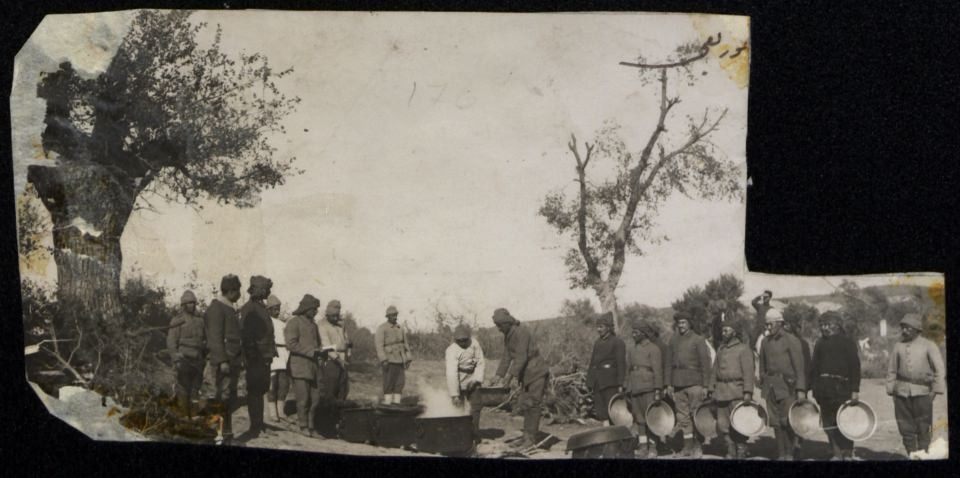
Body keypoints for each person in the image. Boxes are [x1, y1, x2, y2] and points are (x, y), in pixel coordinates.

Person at [487, 308, 549, 449]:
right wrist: (498, 375)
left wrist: (509, 376)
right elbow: (507, 356)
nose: (498, 329)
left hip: (536, 371)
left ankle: (530, 440)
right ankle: (527, 437)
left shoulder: (521, 332)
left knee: (533, 405)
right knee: (527, 405)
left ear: (507, 323)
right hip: (527, 373)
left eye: (499, 326)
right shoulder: (509, 334)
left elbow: (521, 357)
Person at [886, 313, 946, 458]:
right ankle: (911, 456)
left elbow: (940, 369)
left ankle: (923, 456)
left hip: (923, 393)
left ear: (917, 329)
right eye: (903, 328)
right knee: (905, 428)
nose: (904, 331)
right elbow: (892, 369)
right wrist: (891, 389)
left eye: (908, 328)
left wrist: (934, 391)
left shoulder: (928, 345)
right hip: (901, 393)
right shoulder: (898, 346)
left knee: (923, 428)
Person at [809, 311, 861, 461]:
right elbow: (814, 368)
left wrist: (855, 390)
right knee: (828, 423)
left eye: (828, 325)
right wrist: (814, 388)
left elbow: (855, 368)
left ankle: (847, 452)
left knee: (845, 420)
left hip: (842, 389)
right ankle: (835, 452)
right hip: (824, 390)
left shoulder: (848, 343)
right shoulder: (819, 344)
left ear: (837, 326)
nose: (824, 328)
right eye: (822, 325)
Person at [758, 307, 806, 460]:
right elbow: (762, 365)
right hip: (770, 387)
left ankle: (790, 453)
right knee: (776, 422)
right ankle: (781, 453)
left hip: (787, 387)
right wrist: (762, 379)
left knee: (788, 420)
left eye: (770, 324)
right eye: (766, 325)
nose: (768, 327)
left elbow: (799, 366)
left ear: (779, 323)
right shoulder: (765, 342)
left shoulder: (791, 340)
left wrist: (800, 389)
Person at [665, 311, 712, 458]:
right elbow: (668, 364)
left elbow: (706, 364)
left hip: (695, 383)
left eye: (684, 322)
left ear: (689, 324)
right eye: (679, 323)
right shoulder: (673, 340)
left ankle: (698, 447)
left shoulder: (698, 340)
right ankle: (687, 447)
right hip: (678, 384)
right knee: (682, 417)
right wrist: (668, 384)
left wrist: (706, 386)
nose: (681, 325)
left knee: (695, 414)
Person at [205, 274, 244, 445]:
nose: (239, 294)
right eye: (238, 290)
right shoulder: (217, 308)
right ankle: (217, 436)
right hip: (223, 363)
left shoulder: (228, 307)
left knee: (226, 398)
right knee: (219, 398)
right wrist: (222, 361)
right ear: (230, 290)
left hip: (230, 361)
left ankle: (224, 435)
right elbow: (215, 337)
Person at [239, 275, 278, 438]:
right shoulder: (249, 308)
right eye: (265, 289)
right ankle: (255, 426)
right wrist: (252, 356)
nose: (267, 292)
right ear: (257, 290)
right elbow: (247, 335)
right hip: (256, 356)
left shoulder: (261, 307)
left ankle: (259, 423)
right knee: (254, 390)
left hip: (264, 356)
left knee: (261, 389)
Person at [711, 316, 754, 459]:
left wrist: (748, 392)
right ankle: (730, 447)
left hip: (737, 390)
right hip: (721, 391)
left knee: (739, 421)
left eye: (726, 330)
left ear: (734, 332)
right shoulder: (720, 349)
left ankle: (741, 447)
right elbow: (714, 369)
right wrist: (711, 387)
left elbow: (749, 372)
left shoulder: (744, 349)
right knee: (723, 423)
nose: (723, 333)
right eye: (722, 331)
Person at [284, 294, 323, 436]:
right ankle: (303, 426)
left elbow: (318, 344)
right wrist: (312, 351)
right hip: (299, 367)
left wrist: (321, 352)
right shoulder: (294, 323)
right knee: (303, 398)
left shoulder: (314, 325)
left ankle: (312, 427)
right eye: (313, 309)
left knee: (315, 398)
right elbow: (291, 344)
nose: (315, 312)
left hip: (313, 367)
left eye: (316, 309)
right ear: (305, 308)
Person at [625, 318, 663, 458]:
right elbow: (628, 370)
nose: (633, 335)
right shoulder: (631, 349)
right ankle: (643, 447)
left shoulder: (654, 349)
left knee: (650, 418)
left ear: (644, 333)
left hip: (649, 388)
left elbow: (658, 371)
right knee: (640, 419)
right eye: (633, 332)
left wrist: (658, 390)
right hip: (635, 387)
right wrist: (626, 387)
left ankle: (653, 448)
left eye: (636, 332)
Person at [166, 290, 206, 417]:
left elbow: (204, 340)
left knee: (195, 390)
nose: (192, 305)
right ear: (183, 305)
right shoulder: (177, 320)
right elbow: (171, 342)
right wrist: (176, 359)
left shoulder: (200, 321)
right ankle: (183, 418)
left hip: (198, 360)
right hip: (184, 360)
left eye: (193, 303)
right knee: (183, 390)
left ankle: (194, 417)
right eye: (189, 303)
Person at [445, 323, 486, 444]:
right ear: (455, 340)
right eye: (460, 341)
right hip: (458, 377)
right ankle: (460, 434)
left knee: (476, 406)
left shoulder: (475, 344)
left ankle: (475, 433)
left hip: (473, 376)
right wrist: (455, 394)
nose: (462, 342)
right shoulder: (451, 350)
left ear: (469, 338)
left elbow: (480, 362)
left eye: (465, 340)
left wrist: (476, 379)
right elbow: (451, 373)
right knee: (458, 407)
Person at [586, 312, 626, 426]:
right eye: (597, 327)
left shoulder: (617, 342)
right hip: (598, 383)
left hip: (611, 384)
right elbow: (592, 363)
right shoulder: (597, 343)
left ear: (608, 327)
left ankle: (616, 438)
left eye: (601, 327)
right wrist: (590, 382)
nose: (598, 329)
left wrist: (620, 384)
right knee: (601, 412)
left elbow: (621, 364)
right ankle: (607, 434)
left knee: (613, 412)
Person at [783, 313, 812, 456]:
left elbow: (806, 367)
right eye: (784, 324)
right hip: (784, 386)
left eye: (788, 324)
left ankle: (798, 443)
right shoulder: (779, 343)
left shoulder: (802, 343)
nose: (786, 327)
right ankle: (789, 445)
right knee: (786, 416)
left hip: (798, 385)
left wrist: (804, 387)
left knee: (798, 415)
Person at [375, 305, 412, 405]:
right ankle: (388, 403)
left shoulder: (400, 328)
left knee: (400, 382)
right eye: (392, 315)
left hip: (400, 359)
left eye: (396, 315)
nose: (395, 317)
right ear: (387, 316)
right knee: (388, 382)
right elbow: (379, 345)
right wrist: (383, 360)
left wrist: (408, 358)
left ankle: (396, 403)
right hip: (389, 359)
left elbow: (406, 344)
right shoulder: (382, 328)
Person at [317, 300, 351, 404]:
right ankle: (328, 415)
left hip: (343, 359)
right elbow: (327, 346)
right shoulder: (322, 325)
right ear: (327, 315)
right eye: (333, 316)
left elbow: (346, 340)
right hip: (330, 360)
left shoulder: (341, 325)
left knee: (343, 387)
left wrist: (348, 353)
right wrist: (338, 360)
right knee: (331, 388)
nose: (335, 318)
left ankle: (340, 414)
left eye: (337, 316)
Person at [266, 295, 290, 424]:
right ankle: (272, 412)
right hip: (272, 354)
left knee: (283, 383)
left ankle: (281, 411)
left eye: (278, 309)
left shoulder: (283, 324)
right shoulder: (266, 322)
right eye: (274, 309)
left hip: (284, 353)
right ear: (268, 309)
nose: (277, 311)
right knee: (272, 384)